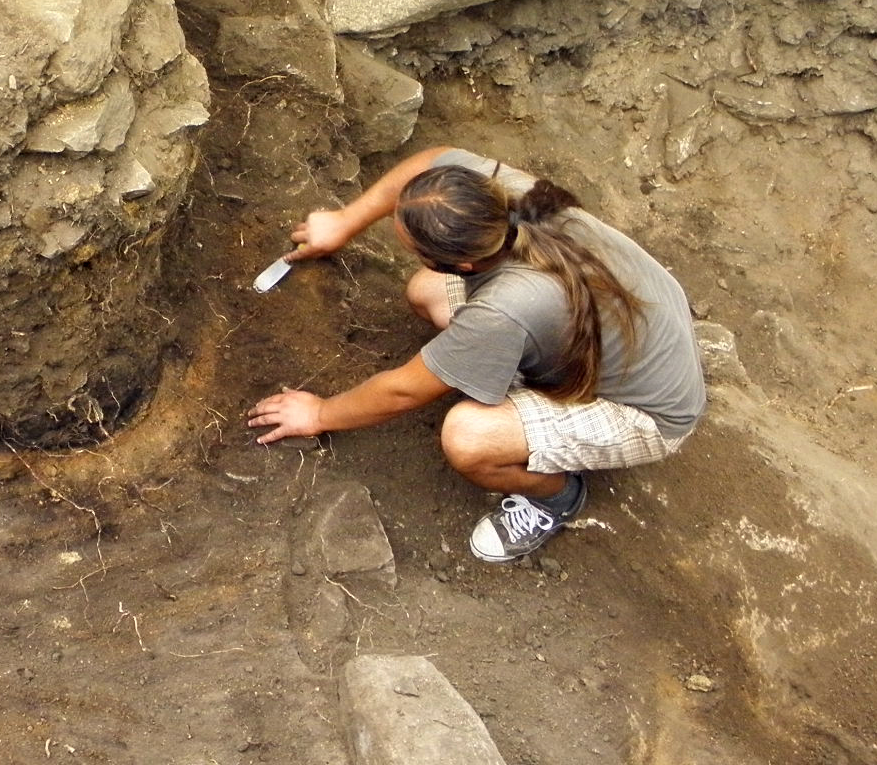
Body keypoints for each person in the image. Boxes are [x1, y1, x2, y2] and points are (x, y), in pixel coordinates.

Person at [247, 146, 706, 564]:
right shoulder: (508, 200)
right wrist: (346, 220)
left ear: (464, 265)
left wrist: (321, 413)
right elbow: (434, 159)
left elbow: (404, 392)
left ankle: (557, 496)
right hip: (644, 323)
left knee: (469, 436)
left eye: (413, 246)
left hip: (647, 412)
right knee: (426, 292)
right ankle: (523, 379)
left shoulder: (503, 311)